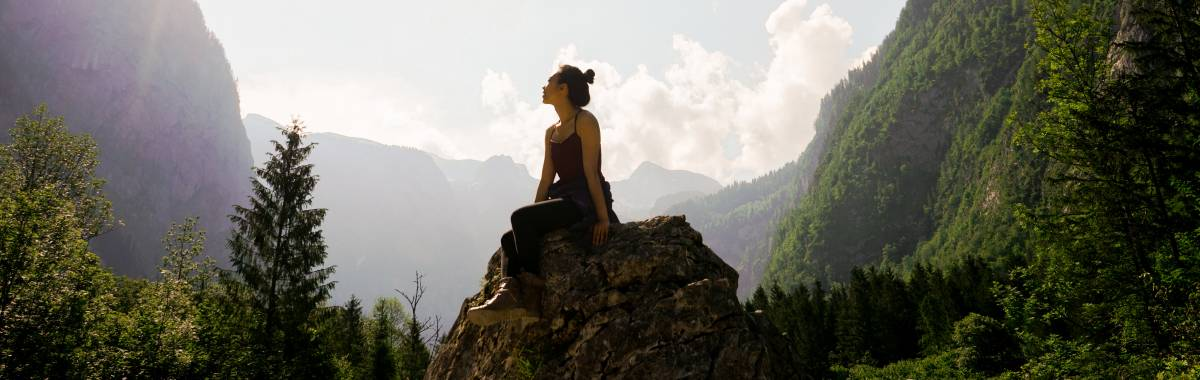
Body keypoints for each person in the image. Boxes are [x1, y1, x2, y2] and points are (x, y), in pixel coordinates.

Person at [466, 64, 620, 326]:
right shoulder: (551, 131)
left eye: (549, 82)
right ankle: (511, 294)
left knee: (520, 219)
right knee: (509, 238)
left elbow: (592, 174)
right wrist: (531, 219)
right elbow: (547, 179)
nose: (543, 86)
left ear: (564, 89)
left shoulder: (585, 122)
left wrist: (603, 218)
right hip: (564, 199)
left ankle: (530, 295)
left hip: (583, 203)